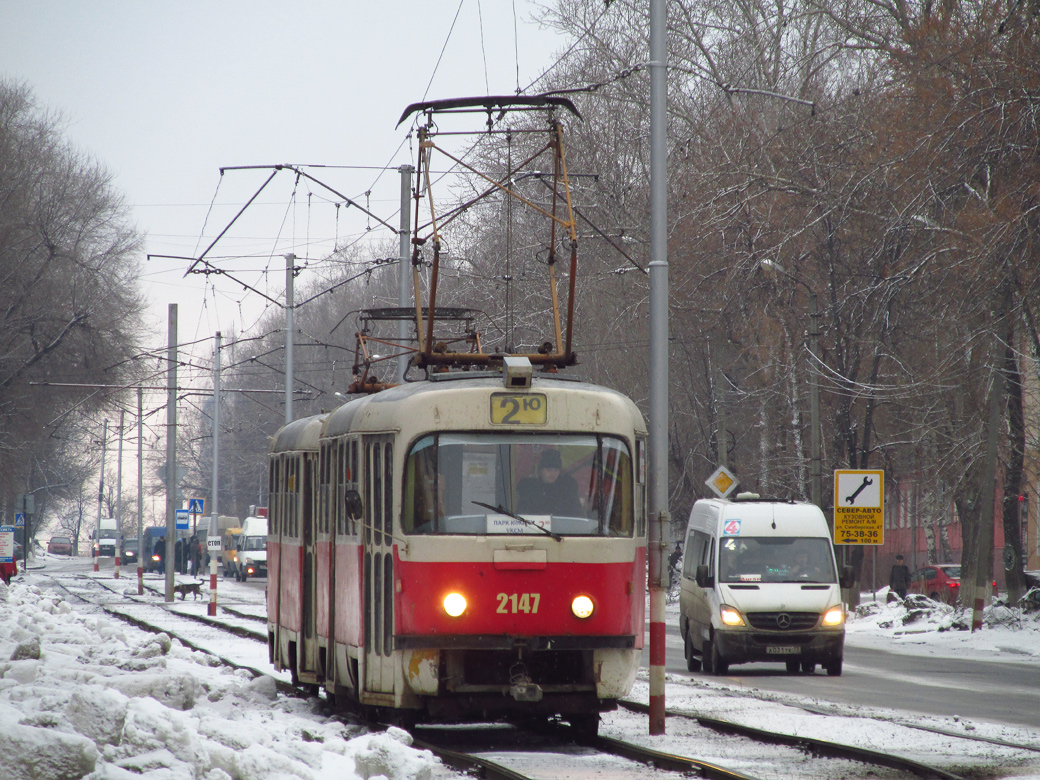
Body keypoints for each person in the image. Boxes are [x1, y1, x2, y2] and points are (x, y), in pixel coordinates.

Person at [517, 449, 584, 517]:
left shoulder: (567, 488)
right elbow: (522, 514)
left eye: (556, 470)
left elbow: (577, 514)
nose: (553, 474)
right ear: (541, 470)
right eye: (549, 470)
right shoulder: (530, 489)